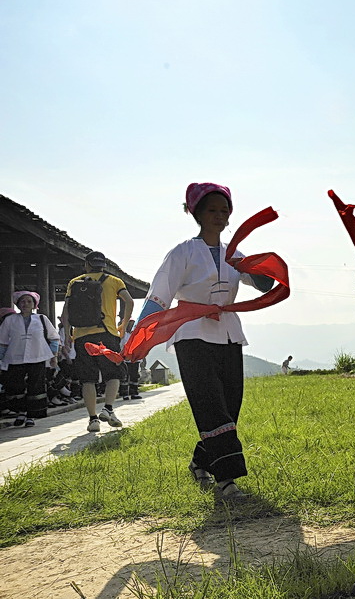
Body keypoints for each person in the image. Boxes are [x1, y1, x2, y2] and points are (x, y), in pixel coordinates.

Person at [134, 182, 275, 501]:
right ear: (195, 212)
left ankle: (200, 462)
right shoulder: (182, 253)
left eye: (224, 210)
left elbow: (265, 285)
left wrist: (257, 267)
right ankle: (227, 481)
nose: (219, 216)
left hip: (228, 333)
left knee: (229, 405)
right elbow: (159, 296)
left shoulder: (234, 253)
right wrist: (140, 337)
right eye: (212, 210)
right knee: (209, 404)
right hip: (191, 335)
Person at [63, 250, 134, 433]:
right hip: (106, 333)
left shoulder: (75, 283)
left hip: (81, 336)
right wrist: (123, 325)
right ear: (104, 265)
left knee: (88, 379)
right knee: (114, 374)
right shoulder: (114, 281)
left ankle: (93, 420)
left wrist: (67, 336)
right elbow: (129, 301)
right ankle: (108, 408)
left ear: (87, 265)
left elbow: (66, 313)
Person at [0, 291, 59, 427]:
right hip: (14, 358)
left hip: (37, 356)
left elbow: (54, 338)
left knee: (35, 387)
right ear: (18, 304)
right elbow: (2, 342)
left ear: (34, 305)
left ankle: (31, 416)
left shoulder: (41, 319)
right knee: (16, 387)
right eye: (22, 301)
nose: (25, 304)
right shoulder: (10, 320)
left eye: (29, 301)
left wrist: (54, 356)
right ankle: (21, 412)